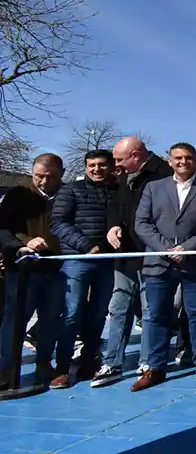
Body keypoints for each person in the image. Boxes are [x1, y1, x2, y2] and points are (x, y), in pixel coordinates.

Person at [131, 143, 196, 392]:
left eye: (188, 158)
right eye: (178, 158)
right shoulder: (153, 188)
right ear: (169, 161)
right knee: (156, 316)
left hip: (193, 262)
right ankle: (155, 367)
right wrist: (166, 248)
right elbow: (142, 223)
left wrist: (187, 248)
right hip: (158, 262)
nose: (183, 162)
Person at [99, 136, 173, 387]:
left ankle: (148, 361)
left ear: (136, 155)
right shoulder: (120, 177)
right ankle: (112, 362)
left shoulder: (164, 174)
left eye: (119, 159)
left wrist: (159, 244)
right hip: (125, 252)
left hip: (151, 252)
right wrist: (112, 227)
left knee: (150, 309)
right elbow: (114, 205)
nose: (115, 164)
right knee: (119, 306)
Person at [49, 149, 118, 389]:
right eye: (91, 165)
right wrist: (86, 246)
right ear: (85, 167)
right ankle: (63, 367)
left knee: (99, 312)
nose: (96, 169)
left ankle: (88, 359)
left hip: (107, 263)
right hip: (77, 260)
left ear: (111, 166)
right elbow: (57, 223)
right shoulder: (71, 190)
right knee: (72, 312)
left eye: (101, 165)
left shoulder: (117, 191)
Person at [0, 154, 65, 387]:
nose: (44, 182)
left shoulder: (67, 195)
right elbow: (2, 228)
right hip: (23, 270)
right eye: (39, 176)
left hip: (57, 269)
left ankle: (44, 363)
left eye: (50, 177)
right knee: (14, 321)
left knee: (50, 320)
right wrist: (22, 244)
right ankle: (6, 370)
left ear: (62, 174)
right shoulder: (18, 195)